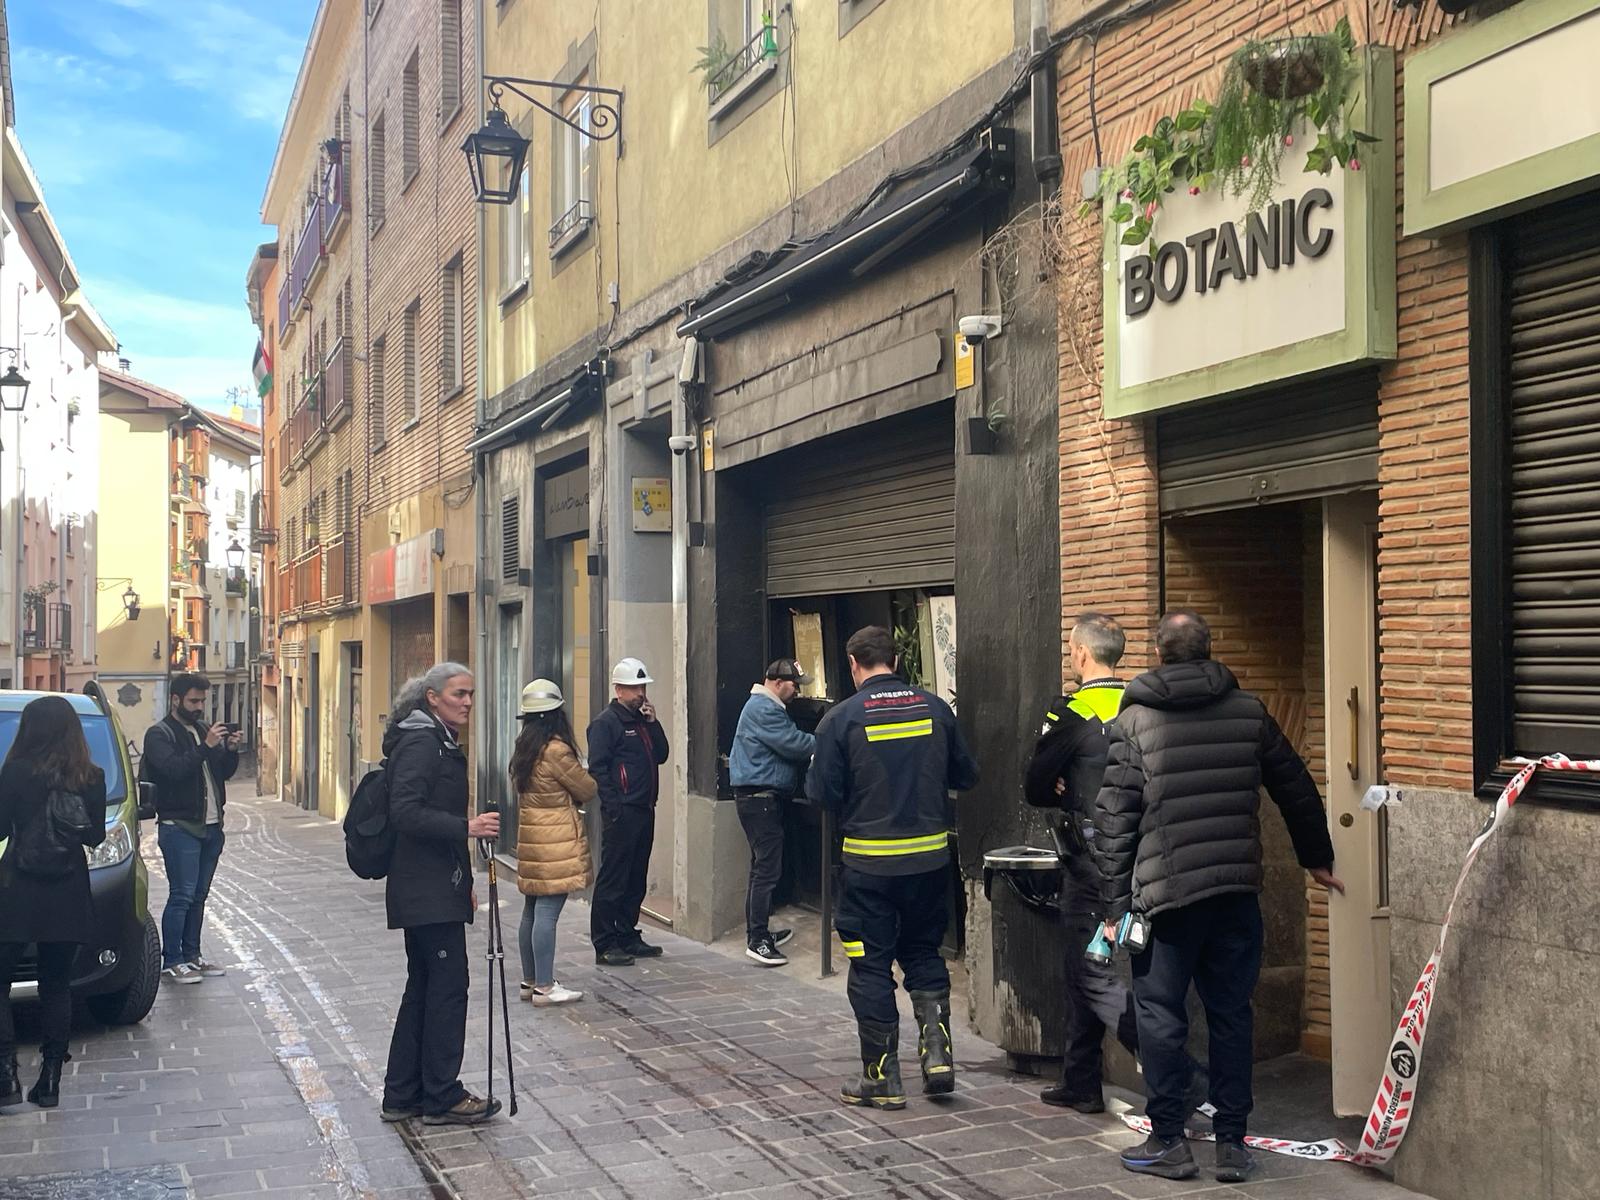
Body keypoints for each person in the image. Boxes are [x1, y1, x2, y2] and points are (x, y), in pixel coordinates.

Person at [1094, 610, 1344, 1184]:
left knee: (1161, 1016)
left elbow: (1114, 819)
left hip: (1166, 899)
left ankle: (1169, 1142)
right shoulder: (1249, 712)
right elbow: (1296, 787)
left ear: (1158, 654)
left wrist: (1113, 906)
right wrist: (1317, 858)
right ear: (1208, 652)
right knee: (1232, 1014)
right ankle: (1232, 1143)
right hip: (1234, 894)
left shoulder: (1134, 722)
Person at [809, 626, 979, 1109]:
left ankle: (881, 1078)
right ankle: (939, 1057)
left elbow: (821, 793)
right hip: (929, 864)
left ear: (852, 663)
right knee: (925, 954)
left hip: (868, 869)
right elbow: (966, 775)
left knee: (870, 967)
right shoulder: (936, 710)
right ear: (897, 661)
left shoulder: (840, 720)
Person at [1023, 612, 1140, 1111]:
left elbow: (1034, 785)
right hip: (1142, 855)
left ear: (1080, 654)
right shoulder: (1142, 703)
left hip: (1090, 863)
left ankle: (1169, 1071)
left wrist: (1060, 782)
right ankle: (1080, 1080)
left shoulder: (1070, 711)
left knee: (1085, 969)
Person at [379, 663, 503, 1127]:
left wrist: (465, 879)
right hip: (424, 887)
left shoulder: (435, 739)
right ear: (432, 697)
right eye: (458, 694)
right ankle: (442, 1095)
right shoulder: (422, 742)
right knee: (447, 990)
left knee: (425, 988)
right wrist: (468, 828)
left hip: (436, 884)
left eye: (471, 694)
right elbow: (405, 812)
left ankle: (404, 1093)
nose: (467, 702)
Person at [0, 697, 109, 1109]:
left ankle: (6, 1075)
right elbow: (95, 835)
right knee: (56, 985)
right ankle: (50, 1081)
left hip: (17, 889)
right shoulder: (92, 778)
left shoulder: (14, 771)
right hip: (66, 890)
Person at [143, 672, 241, 986]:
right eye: (193, 701)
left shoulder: (202, 729)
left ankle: (193, 956)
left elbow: (222, 772)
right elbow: (172, 771)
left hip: (211, 826)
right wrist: (205, 746)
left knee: (199, 896)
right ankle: (172, 960)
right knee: (182, 895)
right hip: (180, 826)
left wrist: (229, 750)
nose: (199, 706)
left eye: (202, 700)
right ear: (175, 699)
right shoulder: (159, 734)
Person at [510, 678, 596, 1006]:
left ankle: (530, 980)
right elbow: (586, 789)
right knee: (547, 911)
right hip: (557, 839)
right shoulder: (556, 750)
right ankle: (545, 987)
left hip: (533, 837)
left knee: (531, 909)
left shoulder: (526, 747)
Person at [729, 659, 816, 967]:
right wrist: (828, 742)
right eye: (794, 685)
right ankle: (757, 940)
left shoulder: (763, 706)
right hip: (759, 800)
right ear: (778, 683)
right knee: (766, 869)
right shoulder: (764, 709)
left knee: (762, 866)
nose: (797, 692)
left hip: (760, 798)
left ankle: (761, 930)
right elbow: (793, 743)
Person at [586, 658, 670, 967]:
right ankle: (605, 941)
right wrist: (614, 806)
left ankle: (626, 933)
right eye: (635, 688)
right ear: (619, 689)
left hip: (645, 808)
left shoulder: (641, 721)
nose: (641, 693)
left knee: (636, 877)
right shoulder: (606, 724)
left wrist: (654, 722)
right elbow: (598, 769)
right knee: (614, 878)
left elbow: (661, 754)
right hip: (623, 811)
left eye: (643, 687)